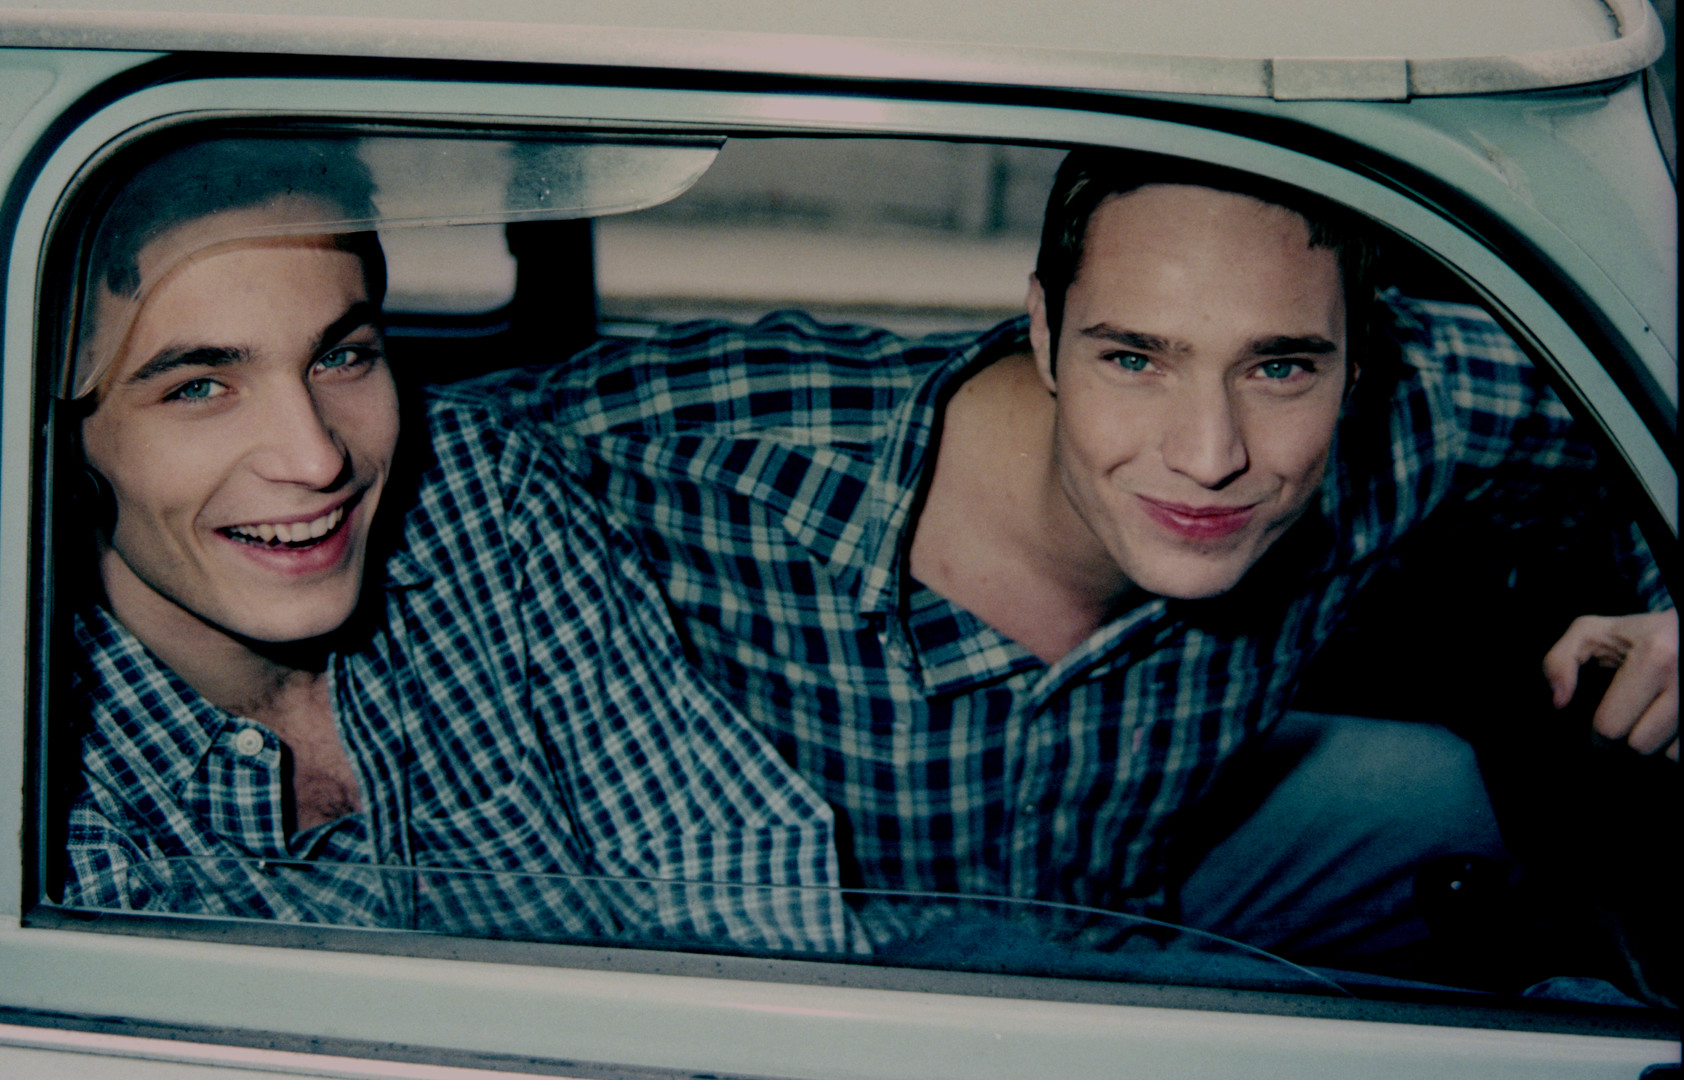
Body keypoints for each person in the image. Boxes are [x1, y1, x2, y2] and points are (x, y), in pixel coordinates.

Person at [487, 149, 1675, 976]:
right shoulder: (698, 456)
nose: (1208, 457)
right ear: (1043, 329)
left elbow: (1638, 403)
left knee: (1455, 801)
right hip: (838, 977)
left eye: (1278, 368)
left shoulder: (1411, 418)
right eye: (1134, 359)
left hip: (1135, 901)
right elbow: (415, 465)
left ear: (1361, 363)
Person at [58, 137, 853, 954]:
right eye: (199, 388)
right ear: (58, 442)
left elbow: (726, 871)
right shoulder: (49, 784)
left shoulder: (480, 493)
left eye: (341, 357)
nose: (317, 459)